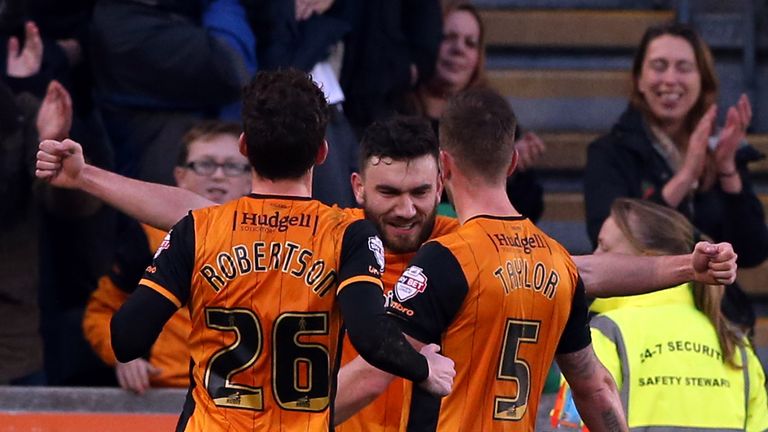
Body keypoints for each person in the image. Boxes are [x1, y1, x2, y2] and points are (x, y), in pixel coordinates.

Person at [36, 109, 737, 430]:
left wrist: (686, 264)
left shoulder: (460, 249)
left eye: (421, 192)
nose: (406, 209)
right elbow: (201, 212)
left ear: (444, 182)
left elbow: (582, 270)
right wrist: (87, 176)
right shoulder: (335, 237)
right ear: (356, 186)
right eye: (389, 192)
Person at [38, 69, 455, 430]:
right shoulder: (348, 234)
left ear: (244, 147)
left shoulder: (200, 229)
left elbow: (126, 338)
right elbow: (372, 337)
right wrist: (423, 368)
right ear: (322, 152)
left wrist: (86, 177)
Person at [348, 87, 627, 431]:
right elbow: (596, 389)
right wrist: (683, 266)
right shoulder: (558, 262)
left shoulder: (448, 257)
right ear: (512, 162)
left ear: (444, 166)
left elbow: (375, 372)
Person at [584, 22, 768, 329]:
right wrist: (685, 176)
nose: (670, 79)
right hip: (638, 317)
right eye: (659, 66)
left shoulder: (719, 147)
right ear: (639, 80)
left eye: (684, 68)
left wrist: (726, 169)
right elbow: (607, 240)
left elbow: (752, 251)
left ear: (702, 80)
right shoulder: (609, 152)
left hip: (718, 322)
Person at [82, 121, 251, 394]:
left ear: (250, 180)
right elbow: (101, 312)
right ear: (180, 175)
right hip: (164, 392)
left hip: (249, 396)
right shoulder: (148, 238)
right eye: (205, 165)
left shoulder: (277, 242)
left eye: (232, 166)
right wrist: (122, 356)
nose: (218, 176)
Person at [586, 198, 768, 430]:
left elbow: (576, 423)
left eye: (604, 248)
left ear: (644, 261)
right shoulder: (736, 344)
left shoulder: (606, 333)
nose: (593, 257)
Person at [400, 0, 545, 220]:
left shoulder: (493, 118)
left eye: (470, 43)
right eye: (448, 38)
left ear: (479, 57)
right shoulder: (393, 113)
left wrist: (508, 171)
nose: (458, 49)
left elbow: (528, 212)